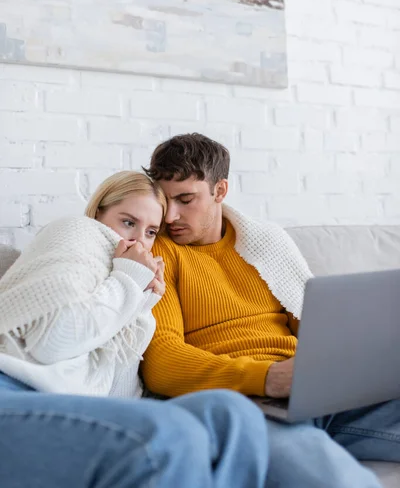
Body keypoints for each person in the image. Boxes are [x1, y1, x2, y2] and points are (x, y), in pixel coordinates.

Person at [142, 133, 400, 488]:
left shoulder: (265, 242)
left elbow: (316, 324)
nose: (171, 216)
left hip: (315, 390)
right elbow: (161, 363)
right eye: (164, 200)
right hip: (249, 403)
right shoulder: (160, 254)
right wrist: (268, 377)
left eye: (186, 199)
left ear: (220, 191)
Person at [0, 170, 270, 488]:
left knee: (233, 413)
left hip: (74, 406)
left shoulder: (128, 277)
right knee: (167, 433)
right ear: (99, 212)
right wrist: (128, 279)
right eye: (128, 222)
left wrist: (141, 303)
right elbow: (53, 341)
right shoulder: (78, 234)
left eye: (152, 231)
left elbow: (119, 394)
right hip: (13, 388)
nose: (139, 241)